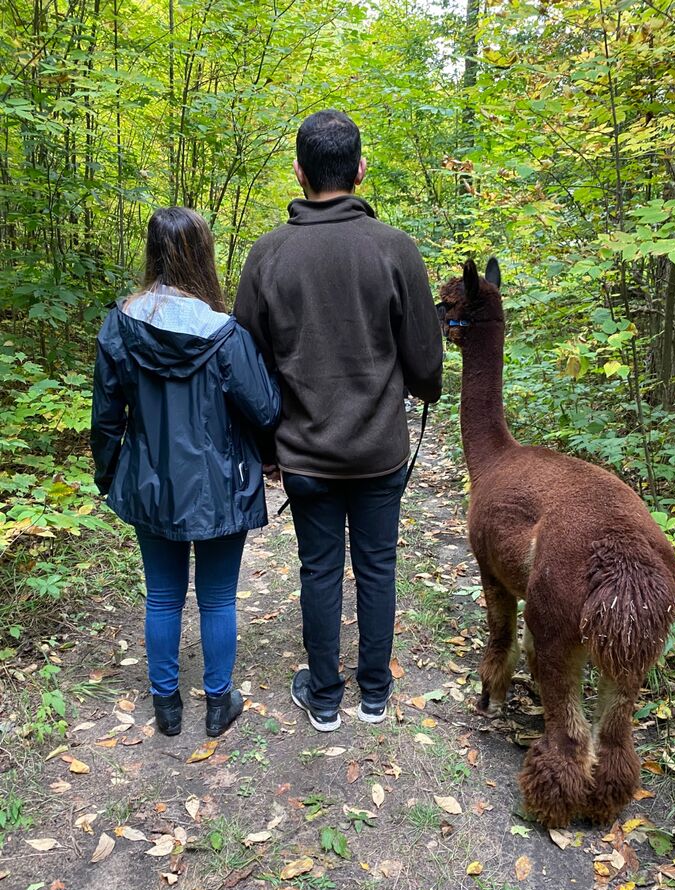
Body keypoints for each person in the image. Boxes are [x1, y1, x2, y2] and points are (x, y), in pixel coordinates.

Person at [234, 109, 442, 733]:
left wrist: (266, 443)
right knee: (378, 566)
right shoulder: (395, 249)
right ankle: (374, 695)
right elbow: (426, 364)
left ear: (298, 171)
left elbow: (247, 362)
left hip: (303, 453)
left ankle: (324, 697)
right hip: (379, 451)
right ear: (359, 168)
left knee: (319, 569)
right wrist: (417, 385)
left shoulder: (268, 255)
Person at [91, 207, 281, 738]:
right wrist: (268, 459)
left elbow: (106, 416)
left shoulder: (120, 325)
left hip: (150, 486)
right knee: (218, 597)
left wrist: (109, 476)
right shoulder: (225, 335)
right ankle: (219, 704)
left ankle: (167, 707)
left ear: (153, 252)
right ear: (203, 255)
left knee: (162, 595)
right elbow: (265, 409)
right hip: (220, 487)